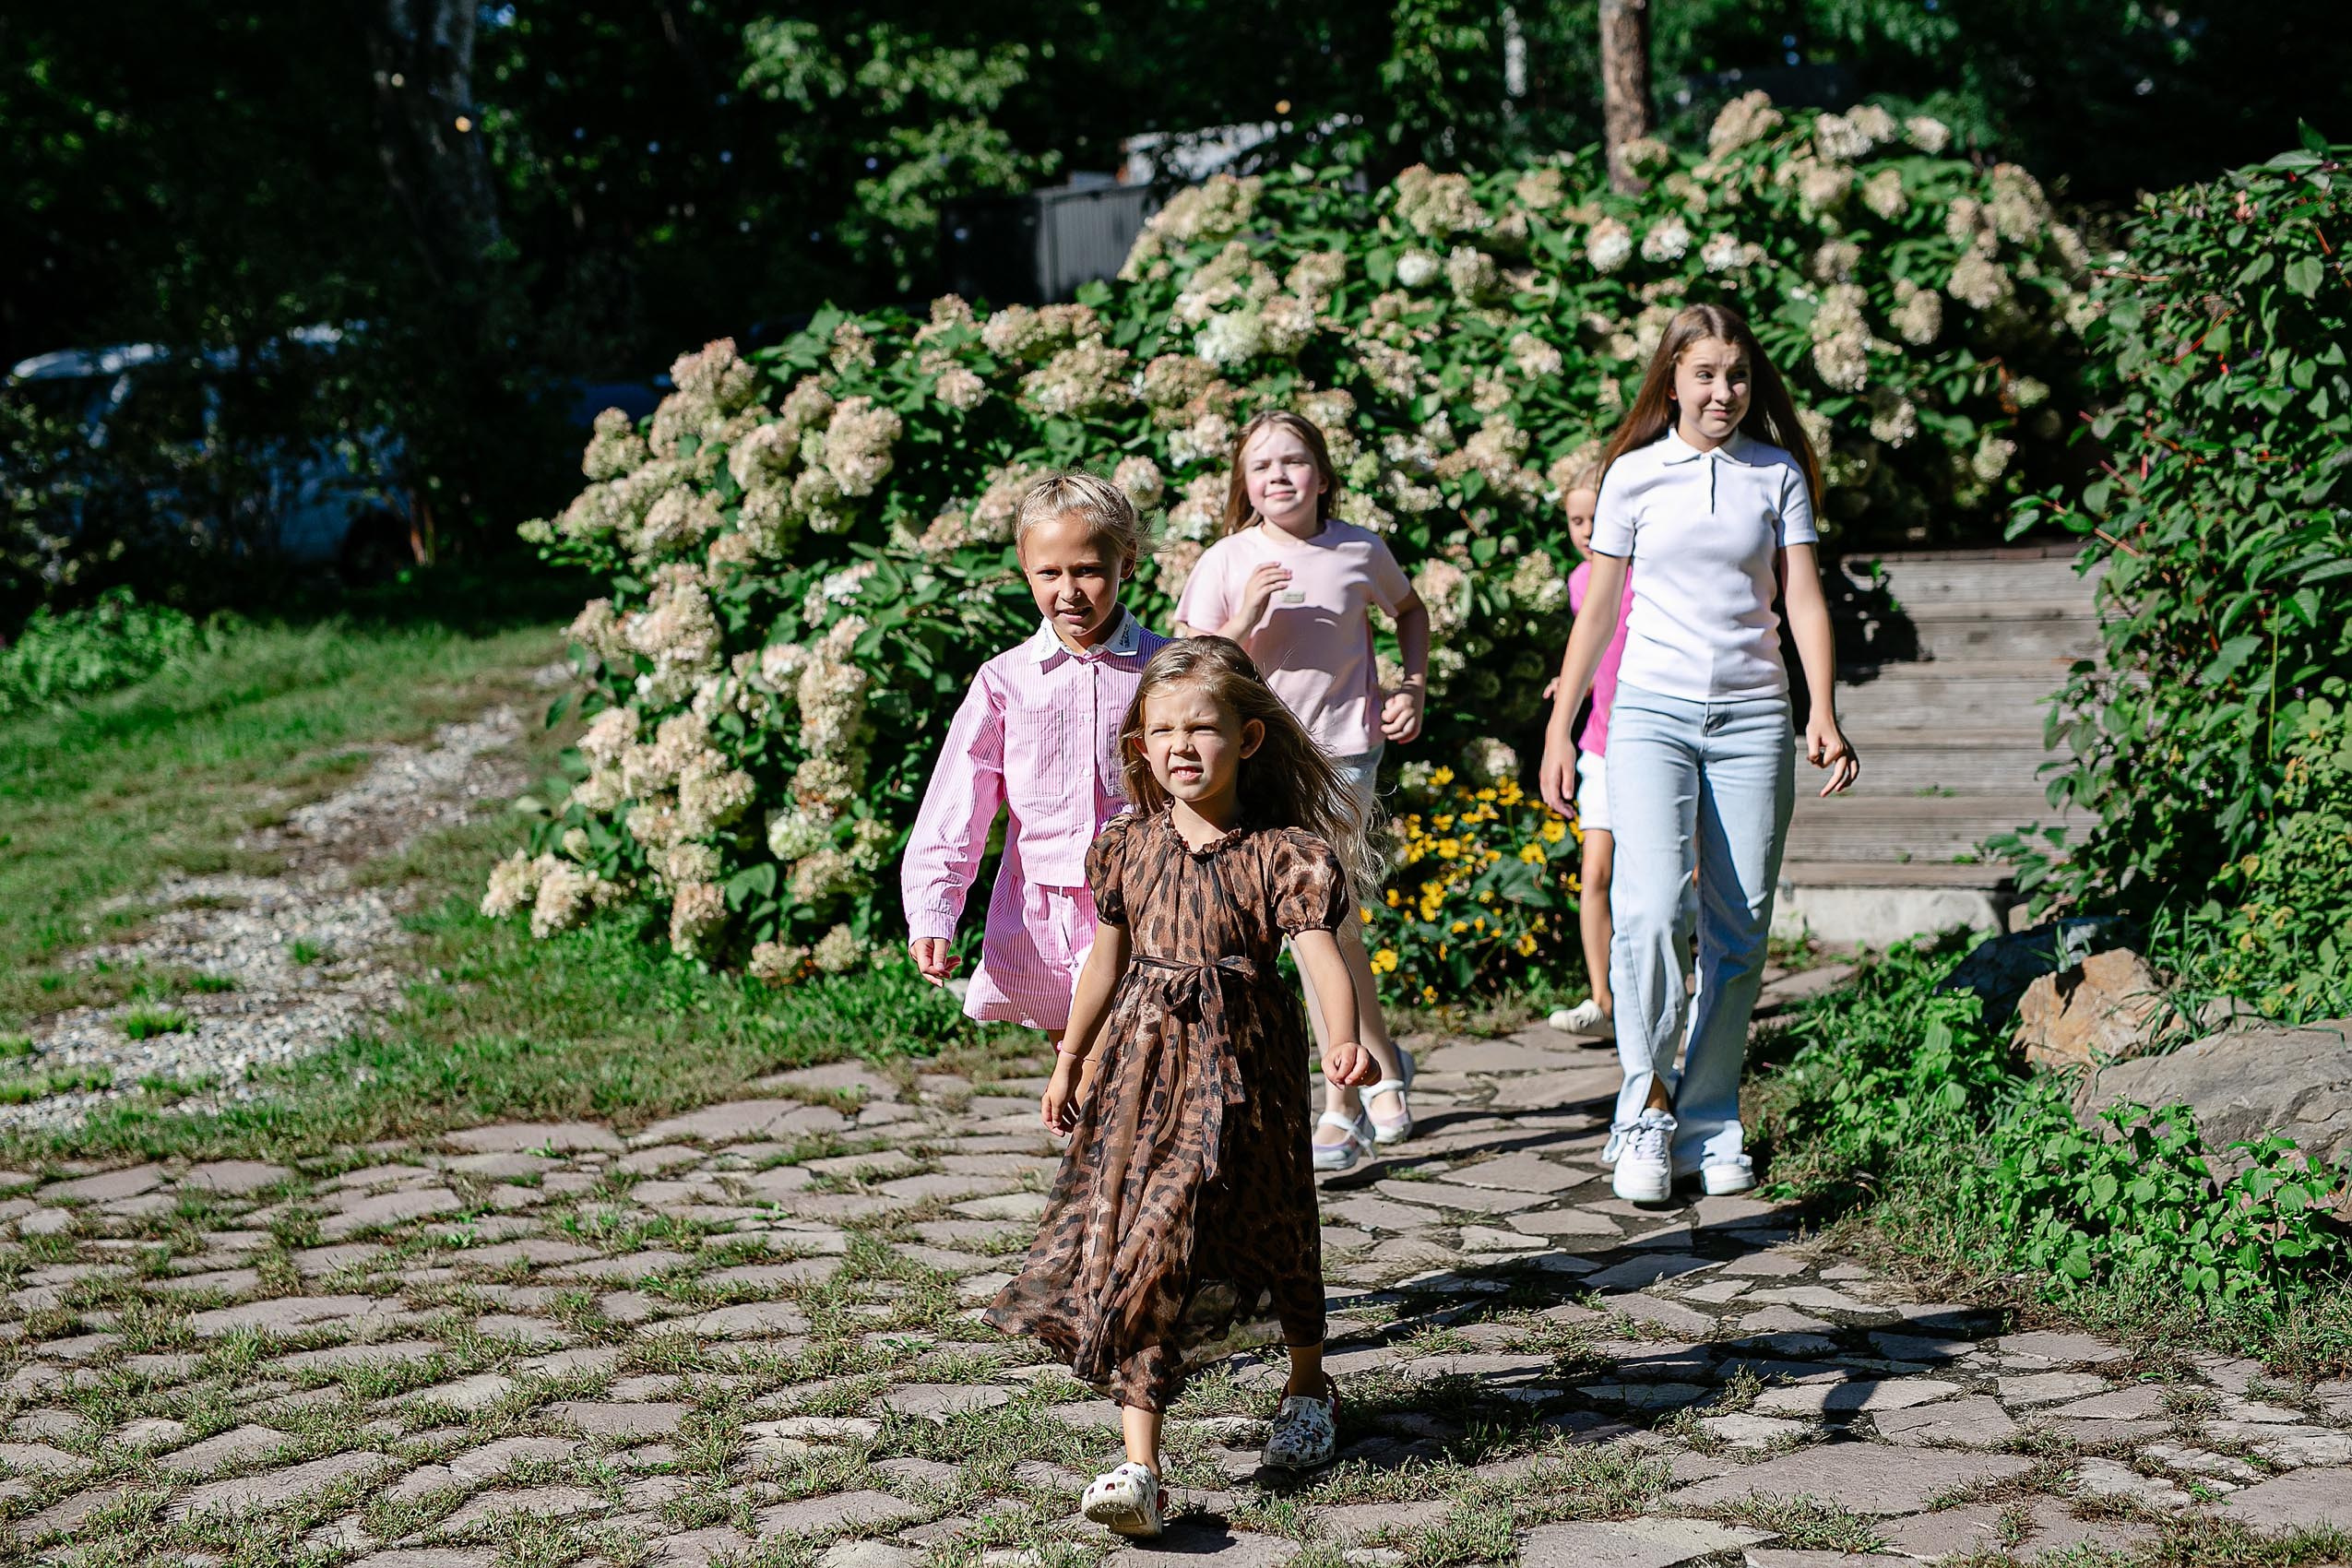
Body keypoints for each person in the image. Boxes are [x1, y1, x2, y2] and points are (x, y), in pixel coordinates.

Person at [985, 636, 1380, 1538]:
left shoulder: (1283, 854)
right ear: (1141, 745)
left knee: (1276, 1226)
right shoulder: (1128, 846)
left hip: (1247, 1077)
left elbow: (1323, 962)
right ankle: (1141, 1463)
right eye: (1161, 730)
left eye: (1200, 728)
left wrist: (1346, 1042)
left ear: (1246, 737)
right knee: (1150, 1236)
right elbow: (1103, 960)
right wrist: (1069, 1056)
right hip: (1145, 1076)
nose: (1179, 746)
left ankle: (1309, 1380)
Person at [1538, 303, 1860, 1206]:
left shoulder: (1776, 474)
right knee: (1644, 914)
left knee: (1741, 926)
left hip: (1756, 716)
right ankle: (1642, 1111)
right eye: (1706, 373)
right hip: (1648, 714)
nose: (1724, 391)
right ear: (1672, 378)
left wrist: (1823, 710)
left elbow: (1802, 601)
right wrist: (1564, 725)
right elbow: (1599, 611)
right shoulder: (1632, 477)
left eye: (1739, 375)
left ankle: (1710, 1116)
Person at [1172, 410, 1429, 1171]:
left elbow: (1408, 610)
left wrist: (1410, 684)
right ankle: (1379, 1063)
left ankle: (1342, 1103)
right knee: (1324, 928)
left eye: (1293, 461)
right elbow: (1192, 664)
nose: (1278, 476)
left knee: (1324, 924)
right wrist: (1244, 617)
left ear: (1322, 472)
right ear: (1243, 485)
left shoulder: (1358, 549)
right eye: (1261, 466)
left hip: (1347, 753)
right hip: (1260, 760)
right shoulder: (1228, 559)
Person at [902, 471, 1168, 1046]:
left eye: (1088, 571)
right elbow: (958, 803)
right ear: (1026, 568)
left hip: (1152, 899)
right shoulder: (1006, 680)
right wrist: (932, 910)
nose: (1069, 591)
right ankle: (1092, 1139)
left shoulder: (1167, 671)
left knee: (1149, 1052)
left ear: (1127, 562)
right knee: (1073, 1057)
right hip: (1044, 909)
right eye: (1050, 573)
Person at [1548, 469, 1633, 1042]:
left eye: (1597, 517)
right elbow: (1595, 648)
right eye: (1577, 520)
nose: (1587, 530)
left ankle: (1689, 985)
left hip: (1657, 742)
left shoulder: (1649, 574)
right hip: (1600, 744)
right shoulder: (1582, 581)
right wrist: (1569, 684)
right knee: (1595, 873)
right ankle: (1603, 999)